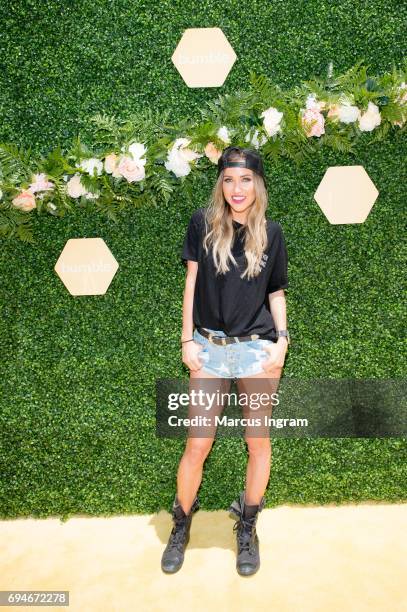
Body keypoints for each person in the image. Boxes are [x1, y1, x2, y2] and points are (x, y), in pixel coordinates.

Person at [161, 145, 290, 576]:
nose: (237, 189)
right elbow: (191, 282)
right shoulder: (202, 224)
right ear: (221, 183)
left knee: (258, 443)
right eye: (230, 180)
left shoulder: (272, 233)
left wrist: (282, 342)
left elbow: (276, 292)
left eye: (246, 179)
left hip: (257, 350)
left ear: (258, 184)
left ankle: (248, 528)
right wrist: (186, 340)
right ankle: (181, 525)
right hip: (210, 349)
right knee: (198, 443)